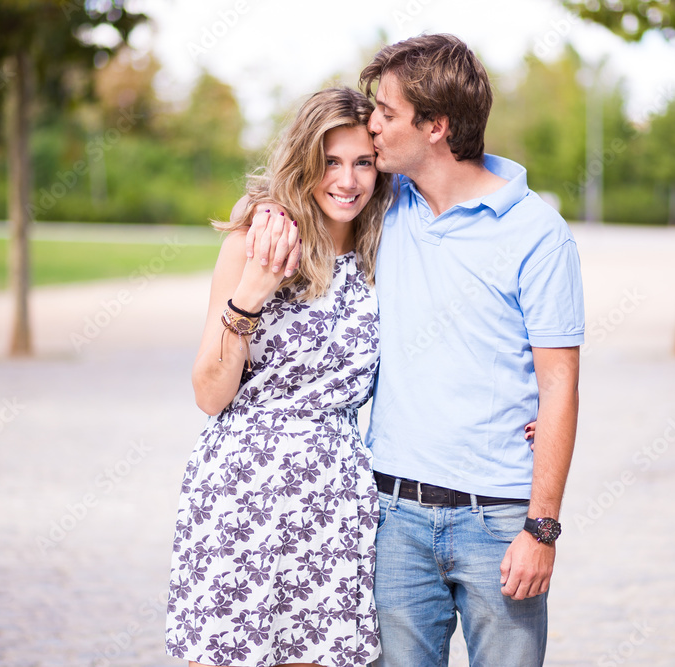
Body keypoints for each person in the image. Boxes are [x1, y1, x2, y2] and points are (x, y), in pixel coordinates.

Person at [249, 34, 584, 666]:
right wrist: (260, 210)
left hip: (500, 522)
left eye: (386, 113)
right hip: (394, 518)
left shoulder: (538, 233)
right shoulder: (384, 205)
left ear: (436, 126)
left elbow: (560, 384)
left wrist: (542, 529)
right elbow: (305, 186)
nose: (370, 126)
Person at [164, 87, 394, 667]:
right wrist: (253, 294)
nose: (348, 181)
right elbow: (210, 394)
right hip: (241, 490)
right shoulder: (257, 243)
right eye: (331, 162)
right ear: (306, 163)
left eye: (362, 162)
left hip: (334, 497)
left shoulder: (387, 251)